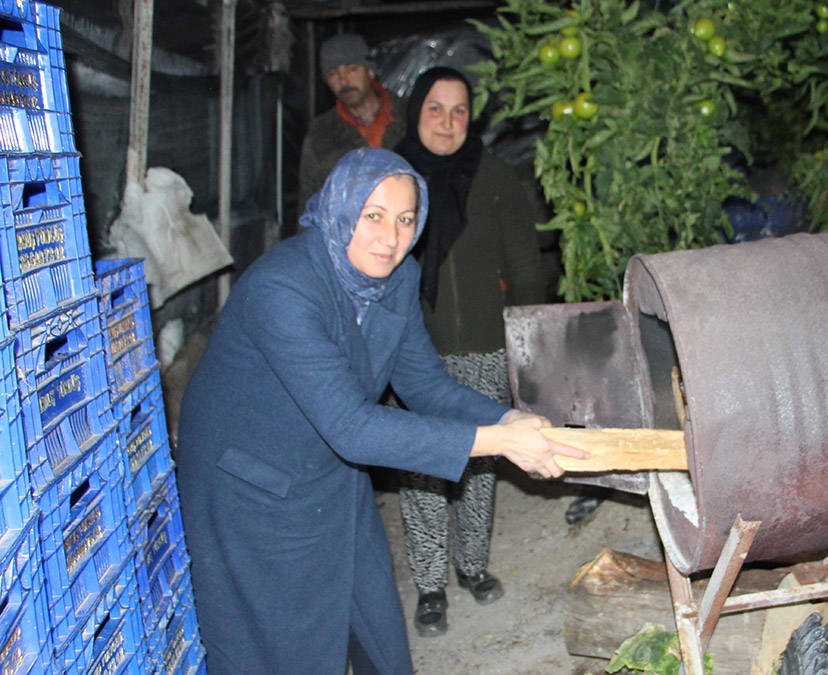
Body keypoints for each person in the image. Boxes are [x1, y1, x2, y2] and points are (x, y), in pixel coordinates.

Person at [174, 147, 586, 673]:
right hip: (251, 488)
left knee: (377, 631)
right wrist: (500, 445)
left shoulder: (397, 280)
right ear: (341, 209)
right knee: (284, 646)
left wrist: (505, 419)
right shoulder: (283, 288)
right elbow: (350, 426)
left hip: (327, 470)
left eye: (406, 219)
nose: (390, 238)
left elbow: (424, 383)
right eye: (373, 215)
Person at [391, 66, 546, 637]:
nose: (448, 122)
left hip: (484, 346)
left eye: (460, 111)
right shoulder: (391, 179)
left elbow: (526, 266)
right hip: (414, 351)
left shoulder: (495, 175)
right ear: (416, 112)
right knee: (422, 471)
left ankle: (472, 566)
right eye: (436, 108)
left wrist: (527, 348)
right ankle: (430, 585)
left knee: (481, 465)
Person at [297, 33, 407, 209]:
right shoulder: (321, 134)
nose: (343, 81)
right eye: (333, 73)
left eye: (351, 69)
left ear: (370, 71)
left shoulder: (411, 116)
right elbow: (309, 203)